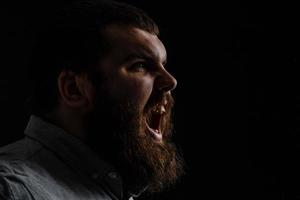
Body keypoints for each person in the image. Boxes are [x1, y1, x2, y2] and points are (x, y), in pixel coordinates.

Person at [0, 0, 184, 199]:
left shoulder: (113, 187)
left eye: (163, 65)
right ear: (74, 89)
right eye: (140, 66)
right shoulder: (11, 190)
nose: (171, 81)